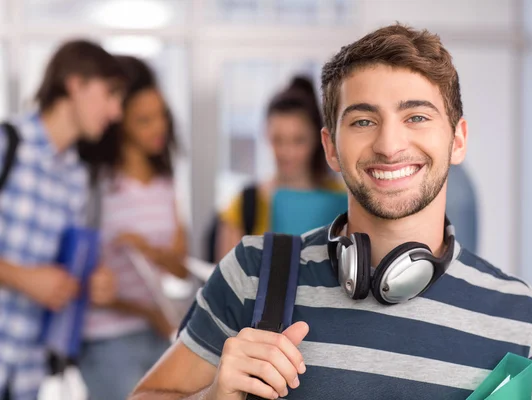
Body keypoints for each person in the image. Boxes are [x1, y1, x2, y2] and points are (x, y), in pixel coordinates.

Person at [129, 24, 532, 400]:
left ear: (457, 140)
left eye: (416, 116)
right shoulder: (255, 273)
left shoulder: (527, 325)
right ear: (331, 147)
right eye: (363, 120)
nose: (388, 144)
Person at [0, 40, 124, 400]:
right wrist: (22, 277)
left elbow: (62, 269)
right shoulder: (8, 145)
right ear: (76, 83)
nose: (115, 112)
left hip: (27, 376)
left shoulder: (77, 178)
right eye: (110, 94)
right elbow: (32, 277)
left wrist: (92, 281)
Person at [77, 55, 189, 400]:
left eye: (162, 116)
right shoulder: (96, 184)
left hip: (163, 335)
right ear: (118, 121)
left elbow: (182, 267)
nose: (159, 128)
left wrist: (151, 252)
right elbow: (83, 278)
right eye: (145, 120)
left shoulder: (165, 182)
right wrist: (146, 311)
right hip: (107, 339)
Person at [213, 76, 343, 262]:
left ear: (318, 139)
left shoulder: (343, 202)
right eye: (278, 140)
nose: (287, 152)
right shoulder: (244, 204)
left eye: (298, 140)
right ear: (266, 135)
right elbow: (226, 283)